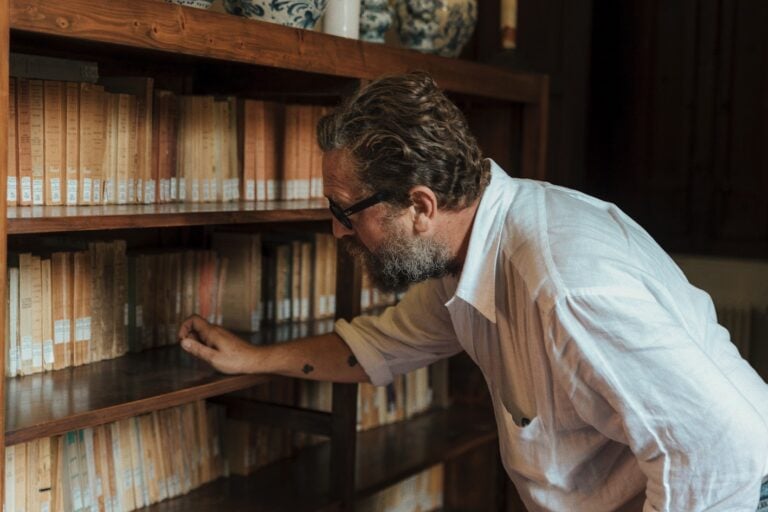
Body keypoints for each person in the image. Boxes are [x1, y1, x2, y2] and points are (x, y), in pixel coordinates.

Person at [178, 71, 768, 512]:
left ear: (419, 206)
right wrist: (254, 358)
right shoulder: (466, 252)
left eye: (344, 209)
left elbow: (719, 455)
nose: (336, 229)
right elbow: (384, 345)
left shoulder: (564, 286)